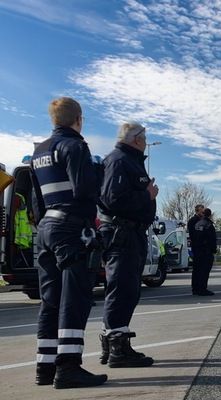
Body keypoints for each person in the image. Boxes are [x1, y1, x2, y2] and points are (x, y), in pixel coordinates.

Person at [29, 97, 107, 388]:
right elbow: (85, 189)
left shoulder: (38, 151)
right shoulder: (74, 146)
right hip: (71, 227)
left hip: (47, 227)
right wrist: (98, 171)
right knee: (75, 298)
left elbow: (36, 200)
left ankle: (45, 367)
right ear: (79, 120)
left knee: (50, 299)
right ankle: (69, 367)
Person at [97, 121, 159, 368]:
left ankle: (111, 343)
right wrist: (148, 195)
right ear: (137, 139)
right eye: (144, 137)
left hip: (128, 233)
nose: (145, 141)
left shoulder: (126, 160)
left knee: (125, 290)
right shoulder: (120, 160)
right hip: (122, 234)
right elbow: (113, 200)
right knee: (123, 289)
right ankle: (118, 350)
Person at [192, 208, 217, 295]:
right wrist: (213, 250)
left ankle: (196, 288)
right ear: (210, 215)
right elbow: (212, 239)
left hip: (197, 251)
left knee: (197, 270)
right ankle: (202, 289)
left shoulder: (197, 224)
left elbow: (194, 238)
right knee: (205, 271)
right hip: (206, 251)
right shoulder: (209, 225)